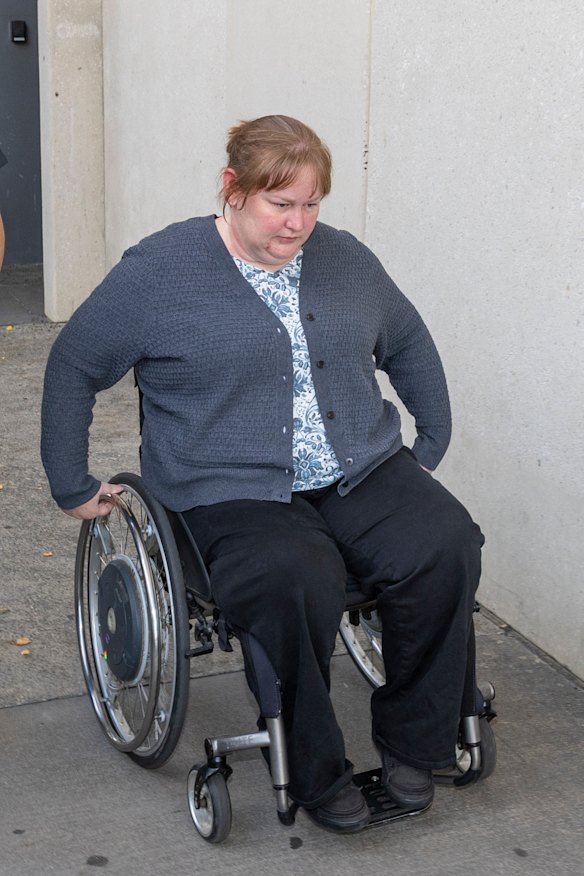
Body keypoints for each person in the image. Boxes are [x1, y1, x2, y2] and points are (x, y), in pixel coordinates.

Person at [41, 115, 484, 834]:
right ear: (233, 188)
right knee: (292, 577)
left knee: (445, 543)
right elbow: (74, 365)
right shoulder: (161, 271)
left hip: (356, 465)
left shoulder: (345, 258)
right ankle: (315, 769)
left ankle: (416, 741)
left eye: (311, 204)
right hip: (227, 486)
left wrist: (431, 435)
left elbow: (404, 337)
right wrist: (70, 480)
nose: (298, 223)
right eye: (281, 204)